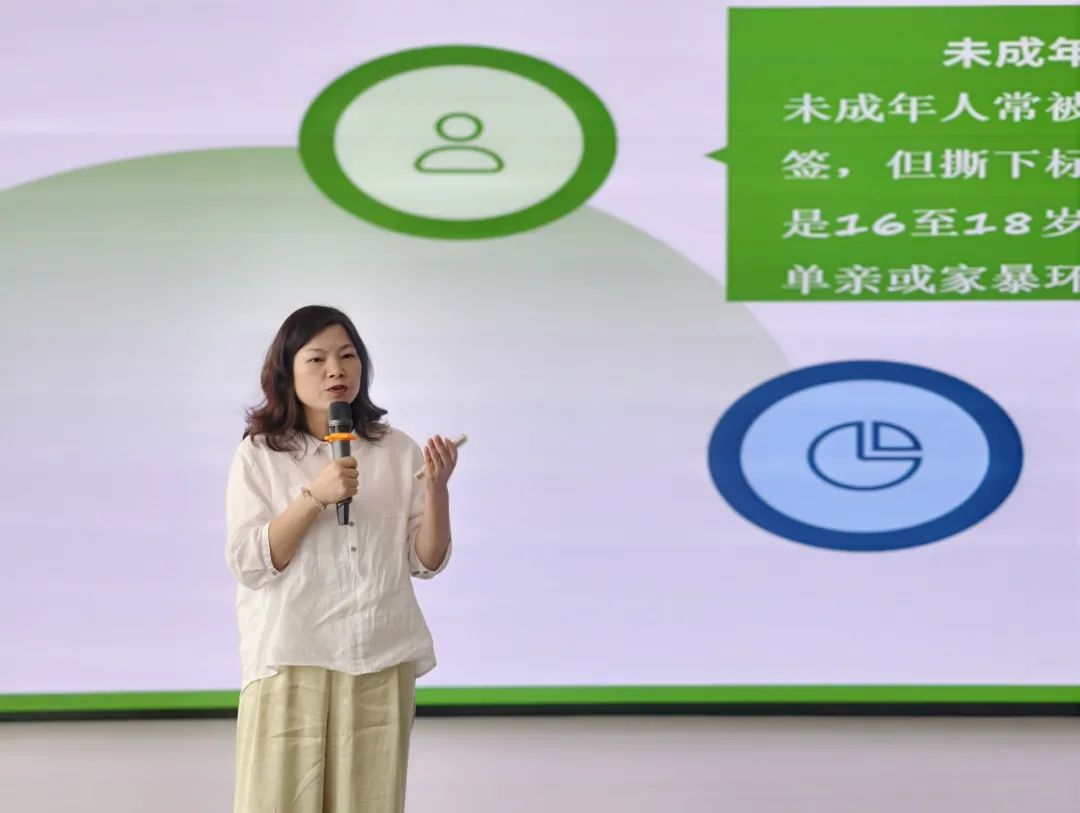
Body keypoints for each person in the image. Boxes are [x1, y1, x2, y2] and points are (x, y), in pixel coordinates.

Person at [225, 305, 457, 813]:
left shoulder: (397, 450)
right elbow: (248, 561)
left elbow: (426, 561)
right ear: (286, 372)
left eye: (348, 356)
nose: (336, 370)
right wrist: (315, 496)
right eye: (317, 359)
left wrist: (438, 491)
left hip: (378, 656)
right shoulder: (261, 454)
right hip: (290, 656)